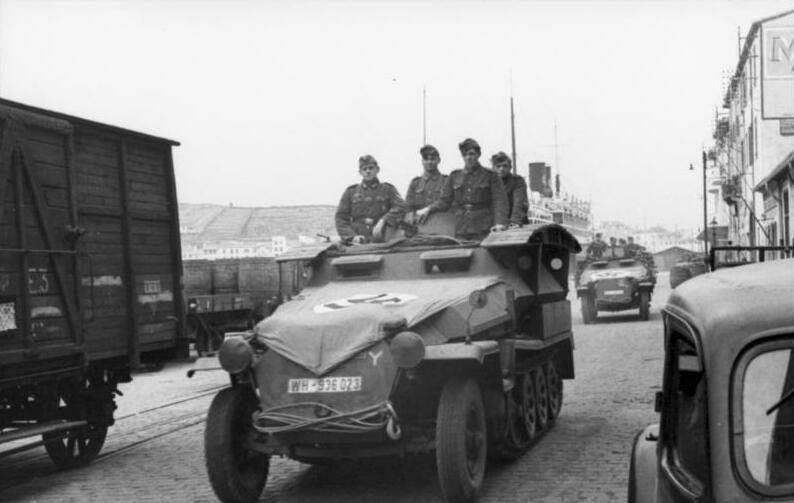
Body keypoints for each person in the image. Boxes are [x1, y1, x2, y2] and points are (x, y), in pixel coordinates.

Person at [417, 138, 508, 240]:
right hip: (462, 228)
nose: (468, 157)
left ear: (478, 154)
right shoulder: (455, 176)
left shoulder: (490, 175)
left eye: (471, 154)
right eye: (465, 155)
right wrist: (428, 209)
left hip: (484, 227)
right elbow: (444, 201)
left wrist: (499, 223)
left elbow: (500, 201)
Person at [335, 155, 405, 244]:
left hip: (382, 239)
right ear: (360, 172)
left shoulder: (387, 189)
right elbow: (341, 217)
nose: (368, 171)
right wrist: (352, 237)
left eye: (371, 168)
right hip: (358, 242)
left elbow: (401, 206)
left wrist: (384, 220)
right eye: (364, 169)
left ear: (377, 169)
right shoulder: (351, 192)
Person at [404, 144, 448, 229]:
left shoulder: (446, 181)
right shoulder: (415, 183)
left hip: (442, 225)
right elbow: (408, 207)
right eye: (426, 159)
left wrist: (429, 209)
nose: (429, 162)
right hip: (420, 227)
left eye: (432, 159)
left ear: (439, 160)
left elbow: (447, 203)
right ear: (422, 161)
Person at [490, 151, 529, 226]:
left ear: (510, 167)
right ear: (493, 168)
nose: (501, 169)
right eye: (498, 166)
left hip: (515, 224)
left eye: (505, 166)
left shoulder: (517, 181)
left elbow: (519, 203)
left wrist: (515, 221)